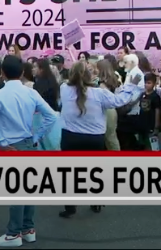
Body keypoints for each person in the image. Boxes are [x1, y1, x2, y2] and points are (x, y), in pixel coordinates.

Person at [0, 55, 59, 247]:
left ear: (2, 73)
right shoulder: (31, 93)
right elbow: (51, 116)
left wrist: (1, 142)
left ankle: (13, 234)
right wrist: (36, 137)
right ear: (22, 72)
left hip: (11, 144)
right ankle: (28, 229)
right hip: (28, 142)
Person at [58, 61, 142, 218]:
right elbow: (120, 100)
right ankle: (95, 201)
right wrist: (131, 86)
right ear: (90, 76)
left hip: (70, 137)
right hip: (94, 139)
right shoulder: (99, 94)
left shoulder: (64, 90)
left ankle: (70, 206)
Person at [96, 59, 122, 151]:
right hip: (110, 109)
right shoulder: (114, 78)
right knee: (110, 136)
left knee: (110, 137)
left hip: (108, 110)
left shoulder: (103, 82)